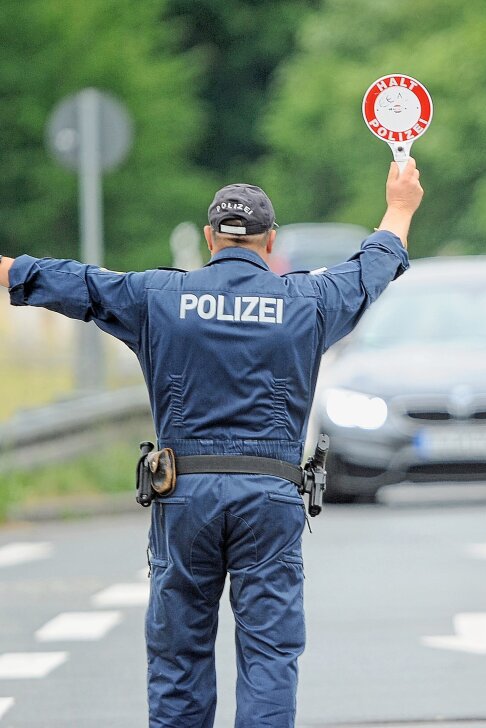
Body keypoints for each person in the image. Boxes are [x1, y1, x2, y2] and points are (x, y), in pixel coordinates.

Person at [0, 159, 423, 727]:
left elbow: (75, 282)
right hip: (270, 499)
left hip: (184, 498)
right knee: (270, 656)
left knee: (179, 658)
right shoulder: (309, 302)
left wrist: (7, 270)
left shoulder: (157, 296)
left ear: (208, 239)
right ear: (270, 242)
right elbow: (370, 269)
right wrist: (399, 206)